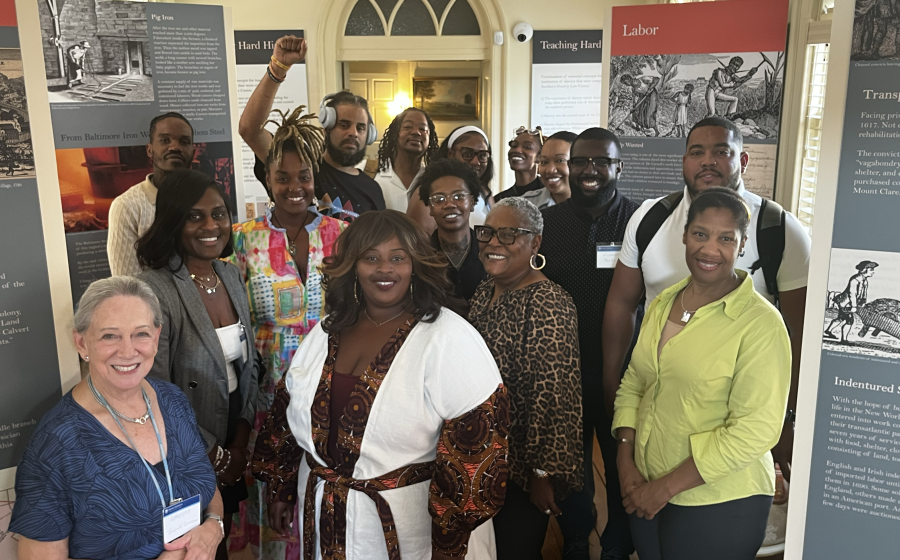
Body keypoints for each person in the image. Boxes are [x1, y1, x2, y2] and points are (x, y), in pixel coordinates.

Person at [253, 210, 509, 559]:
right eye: (371, 258)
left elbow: (477, 455)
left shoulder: (450, 339)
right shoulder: (327, 330)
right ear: (352, 267)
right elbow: (287, 411)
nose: (384, 269)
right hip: (324, 515)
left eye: (398, 258)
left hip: (412, 531)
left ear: (416, 265)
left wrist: (449, 538)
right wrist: (282, 487)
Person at [603, 116, 810, 486]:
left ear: (742, 160)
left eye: (721, 151)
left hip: (733, 422)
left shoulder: (779, 229)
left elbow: (798, 332)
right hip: (656, 408)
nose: (707, 161)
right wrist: (611, 386)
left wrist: (788, 416)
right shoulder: (650, 219)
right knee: (643, 509)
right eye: (696, 152)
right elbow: (621, 305)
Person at [613, 187, 791, 560]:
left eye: (726, 238)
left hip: (720, 500)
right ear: (684, 235)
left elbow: (755, 430)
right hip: (643, 482)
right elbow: (635, 381)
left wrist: (664, 488)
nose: (710, 249)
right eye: (700, 234)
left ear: (742, 245)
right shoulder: (663, 302)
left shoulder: (760, 324)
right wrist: (625, 457)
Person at [10, 276, 225, 560]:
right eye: (110, 336)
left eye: (141, 334)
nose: (127, 350)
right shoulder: (57, 443)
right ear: (82, 343)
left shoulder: (172, 401)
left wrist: (214, 526)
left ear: (157, 337)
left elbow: (206, 487)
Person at [230, 106, 346, 559]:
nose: (294, 187)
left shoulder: (341, 235)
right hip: (267, 391)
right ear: (267, 177)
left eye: (304, 177)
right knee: (271, 498)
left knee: (322, 484)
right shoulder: (244, 239)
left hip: (328, 386)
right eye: (283, 177)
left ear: (316, 178)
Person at [135, 169, 258, 560]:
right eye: (195, 216)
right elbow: (153, 390)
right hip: (184, 448)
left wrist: (240, 440)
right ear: (173, 221)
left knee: (224, 535)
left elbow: (249, 364)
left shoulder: (230, 274)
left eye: (219, 213)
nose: (211, 225)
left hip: (233, 433)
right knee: (195, 547)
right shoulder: (155, 289)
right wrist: (214, 456)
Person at [540, 127, 640, 560]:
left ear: (619, 167)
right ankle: (577, 536)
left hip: (622, 367)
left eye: (602, 162)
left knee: (623, 454)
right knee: (570, 463)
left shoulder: (640, 221)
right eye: (580, 161)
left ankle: (620, 537)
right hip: (563, 367)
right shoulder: (547, 222)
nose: (589, 170)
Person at [469, 198, 583, 559]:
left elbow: (554, 397)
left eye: (508, 235)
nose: (493, 243)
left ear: (535, 243)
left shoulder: (549, 302)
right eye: (487, 233)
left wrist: (542, 472)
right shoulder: (485, 291)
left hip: (520, 463)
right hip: (479, 452)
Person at [239, 35, 385, 220]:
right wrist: (277, 70)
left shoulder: (373, 189)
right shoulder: (300, 167)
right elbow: (250, 130)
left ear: (370, 134)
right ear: (326, 128)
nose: (353, 133)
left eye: (361, 128)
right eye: (344, 124)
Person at [108, 112, 195, 277]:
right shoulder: (127, 206)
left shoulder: (205, 199)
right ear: (149, 149)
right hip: (154, 302)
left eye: (184, 142)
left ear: (193, 151)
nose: (175, 147)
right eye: (164, 140)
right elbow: (128, 284)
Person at [418, 158, 487, 301]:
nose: (449, 204)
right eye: (439, 199)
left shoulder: (489, 251)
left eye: (459, 196)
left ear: (472, 202)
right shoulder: (421, 257)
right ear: (430, 207)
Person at [407, 125, 495, 234]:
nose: (475, 162)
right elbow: (419, 244)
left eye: (482, 156)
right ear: (450, 154)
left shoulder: (486, 193)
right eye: (467, 154)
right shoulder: (429, 192)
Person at [375, 107, 439, 211]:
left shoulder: (434, 179)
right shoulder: (368, 171)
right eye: (408, 127)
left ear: (430, 139)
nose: (416, 132)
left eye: (423, 129)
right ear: (395, 134)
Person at [824, 260, 878, 342]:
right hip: (845, 303)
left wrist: (863, 303)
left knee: (841, 319)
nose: (873, 272)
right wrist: (854, 306)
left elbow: (863, 295)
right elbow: (852, 294)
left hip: (849, 303)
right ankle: (844, 340)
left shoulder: (865, 281)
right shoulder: (854, 280)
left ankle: (828, 331)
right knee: (849, 321)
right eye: (871, 270)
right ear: (864, 270)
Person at [522, 131, 576, 209]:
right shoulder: (524, 206)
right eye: (544, 162)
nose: (550, 170)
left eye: (560, 160)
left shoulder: (595, 206)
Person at [494, 126, 543, 202]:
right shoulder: (500, 200)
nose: (517, 150)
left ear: (539, 157)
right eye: (514, 145)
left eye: (527, 147)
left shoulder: (549, 195)